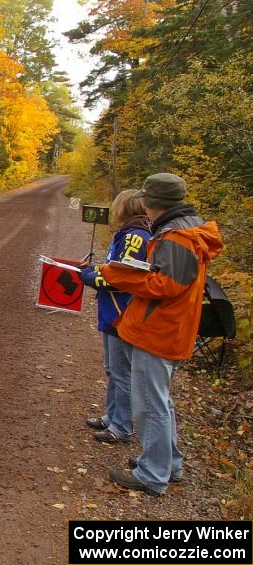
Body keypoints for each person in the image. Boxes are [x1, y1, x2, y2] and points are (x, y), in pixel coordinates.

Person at [97, 173, 223, 496]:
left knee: (150, 404)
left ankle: (153, 474)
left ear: (155, 203)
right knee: (160, 402)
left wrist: (121, 275)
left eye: (146, 202)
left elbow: (167, 285)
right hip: (170, 329)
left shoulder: (177, 237)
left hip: (161, 331)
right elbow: (168, 280)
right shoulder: (182, 229)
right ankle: (170, 464)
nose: (144, 207)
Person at [80, 190, 151, 444]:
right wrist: (97, 269)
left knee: (121, 373)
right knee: (113, 370)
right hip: (113, 310)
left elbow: (125, 279)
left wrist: (91, 277)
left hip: (123, 312)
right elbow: (116, 268)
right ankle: (113, 416)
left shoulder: (136, 236)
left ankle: (122, 425)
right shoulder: (129, 233)